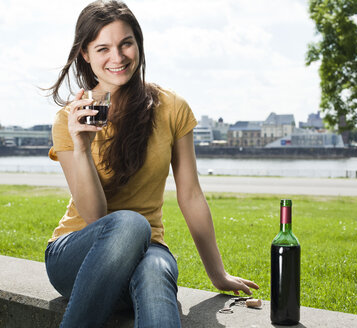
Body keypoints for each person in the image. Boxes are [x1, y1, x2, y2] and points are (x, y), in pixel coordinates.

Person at [44, 1, 259, 327]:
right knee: (131, 224)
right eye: (103, 48)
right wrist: (82, 148)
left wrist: (218, 274)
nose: (117, 57)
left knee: (156, 270)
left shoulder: (172, 108)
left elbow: (191, 195)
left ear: (139, 46)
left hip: (149, 250)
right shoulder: (69, 121)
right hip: (75, 256)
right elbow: (94, 217)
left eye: (125, 43)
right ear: (85, 54)